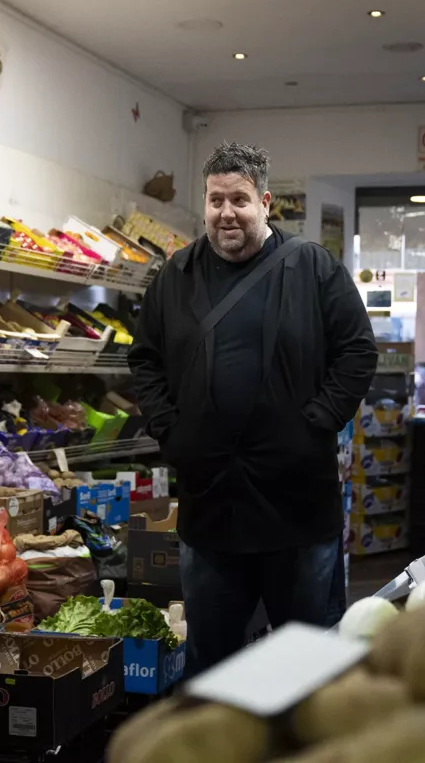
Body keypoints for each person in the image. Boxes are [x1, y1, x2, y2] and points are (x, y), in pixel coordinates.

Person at [129, 142, 377, 676]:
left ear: (265, 202)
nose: (226, 213)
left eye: (238, 199)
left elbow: (358, 351)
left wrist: (316, 424)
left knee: (307, 662)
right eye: (215, 200)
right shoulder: (177, 275)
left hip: (297, 506)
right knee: (212, 663)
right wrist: (170, 430)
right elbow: (144, 358)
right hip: (210, 508)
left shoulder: (313, 269)